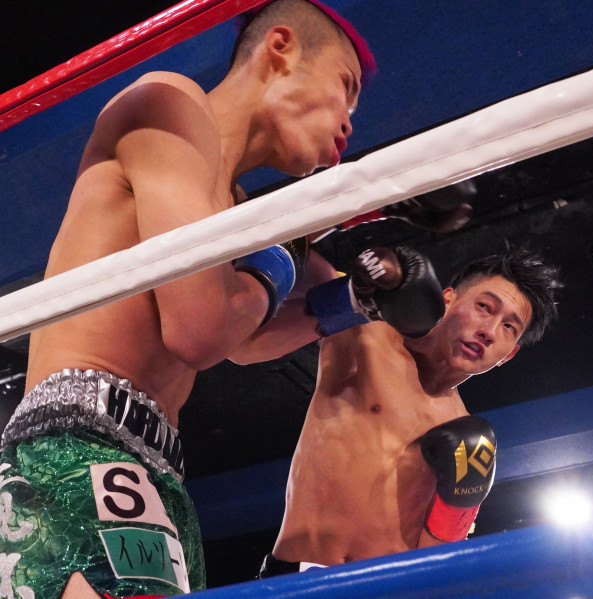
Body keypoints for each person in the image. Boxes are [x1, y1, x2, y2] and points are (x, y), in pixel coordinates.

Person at [0, 1, 378, 597]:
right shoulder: (169, 103)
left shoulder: (229, 206)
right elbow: (199, 329)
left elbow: (242, 340)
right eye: (345, 87)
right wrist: (279, 258)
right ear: (280, 48)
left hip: (156, 467)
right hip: (79, 444)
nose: (349, 119)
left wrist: (361, 293)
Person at [230, 244, 561, 576]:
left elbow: (435, 568)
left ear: (508, 355)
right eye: (484, 307)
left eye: (509, 327)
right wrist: (356, 287)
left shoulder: (465, 438)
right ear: (447, 299)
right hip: (297, 579)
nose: (489, 331)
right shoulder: (367, 333)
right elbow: (285, 259)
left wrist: (462, 504)